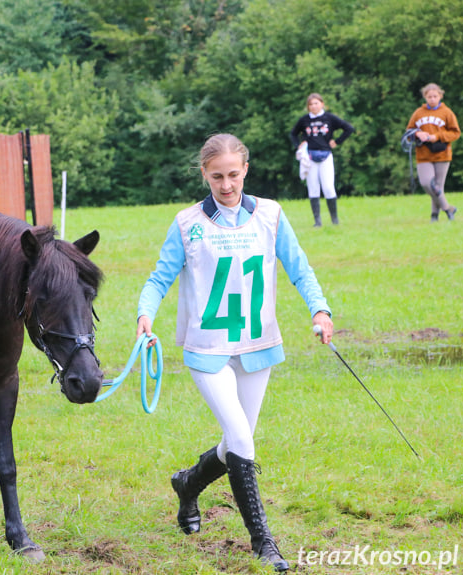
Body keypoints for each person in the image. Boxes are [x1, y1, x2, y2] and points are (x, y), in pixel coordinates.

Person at [136, 134, 334, 572]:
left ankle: (187, 484)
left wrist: (320, 309)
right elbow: (158, 278)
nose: (226, 184)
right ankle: (264, 542)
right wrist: (145, 315)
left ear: (245, 169)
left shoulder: (271, 215)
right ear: (204, 174)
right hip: (208, 351)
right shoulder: (187, 223)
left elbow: (299, 268)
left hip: (258, 346)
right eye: (217, 176)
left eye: (233, 174)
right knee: (242, 440)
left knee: (234, 443)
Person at [290, 93, 355, 226]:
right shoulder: (304, 120)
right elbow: (293, 133)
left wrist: (337, 141)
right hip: (310, 157)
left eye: (316, 103)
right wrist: (298, 145)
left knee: (328, 187)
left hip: (326, 156)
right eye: (311, 104)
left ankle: (334, 220)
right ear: (308, 107)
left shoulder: (329, 118)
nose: (313, 106)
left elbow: (348, 128)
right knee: (313, 188)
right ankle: (317, 222)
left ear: (322, 104)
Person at [406, 83, 459, 222]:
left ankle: (434, 215)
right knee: (427, 183)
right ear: (425, 97)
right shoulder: (418, 113)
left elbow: (455, 132)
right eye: (429, 96)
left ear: (440, 96)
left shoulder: (447, 112)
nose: (432, 99)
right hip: (423, 153)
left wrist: (437, 136)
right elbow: (409, 130)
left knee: (438, 186)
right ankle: (448, 208)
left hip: (442, 153)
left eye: (435, 96)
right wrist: (418, 133)